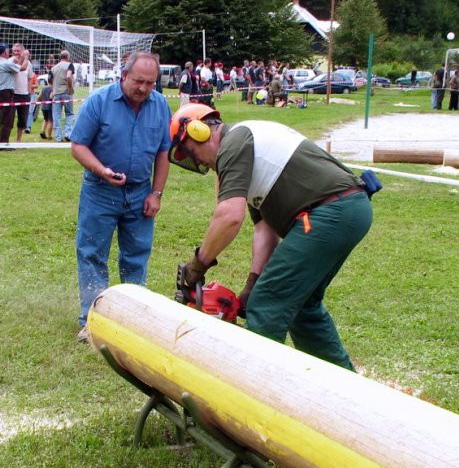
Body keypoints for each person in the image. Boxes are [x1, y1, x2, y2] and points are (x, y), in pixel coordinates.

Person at [168, 104, 372, 370]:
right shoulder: (244, 148)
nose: (199, 163)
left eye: (192, 153)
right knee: (301, 306)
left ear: (199, 131)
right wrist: (253, 281)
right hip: (346, 209)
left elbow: (229, 216)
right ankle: (342, 387)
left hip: (329, 211)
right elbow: (264, 228)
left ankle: (252, 394)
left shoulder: (235, 142)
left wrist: (199, 264)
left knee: (267, 305)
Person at [70, 51, 171, 343]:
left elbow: (164, 152)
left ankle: (133, 321)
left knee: (137, 256)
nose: (144, 88)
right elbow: (78, 146)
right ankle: (92, 320)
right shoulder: (99, 102)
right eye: (139, 81)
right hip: (100, 192)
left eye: (150, 83)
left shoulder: (161, 105)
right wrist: (101, 170)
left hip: (141, 193)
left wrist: (157, 192)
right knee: (91, 254)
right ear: (123, 75)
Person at [0, 44, 28, 147]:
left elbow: (16, 67)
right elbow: (23, 68)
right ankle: (3, 145)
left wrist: (21, 58)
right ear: (4, 52)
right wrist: (26, 57)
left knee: (6, 119)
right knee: (7, 120)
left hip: (2, 93)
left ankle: (3, 142)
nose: (10, 52)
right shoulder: (5, 63)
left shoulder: (1, 62)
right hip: (5, 93)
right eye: (8, 50)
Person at [51, 50, 75, 142]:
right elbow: (69, 76)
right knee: (69, 113)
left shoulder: (54, 68)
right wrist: (70, 87)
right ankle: (67, 133)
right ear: (68, 57)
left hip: (56, 93)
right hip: (66, 93)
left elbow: (51, 81)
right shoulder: (69, 65)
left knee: (56, 116)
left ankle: (58, 137)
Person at [13, 45, 33, 142]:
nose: (16, 53)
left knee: (22, 120)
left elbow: (30, 78)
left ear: (23, 52)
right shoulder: (10, 62)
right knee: (9, 118)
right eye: (14, 51)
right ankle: (6, 139)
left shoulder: (28, 64)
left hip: (24, 95)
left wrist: (29, 92)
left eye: (18, 51)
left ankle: (18, 140)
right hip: (13, 94)